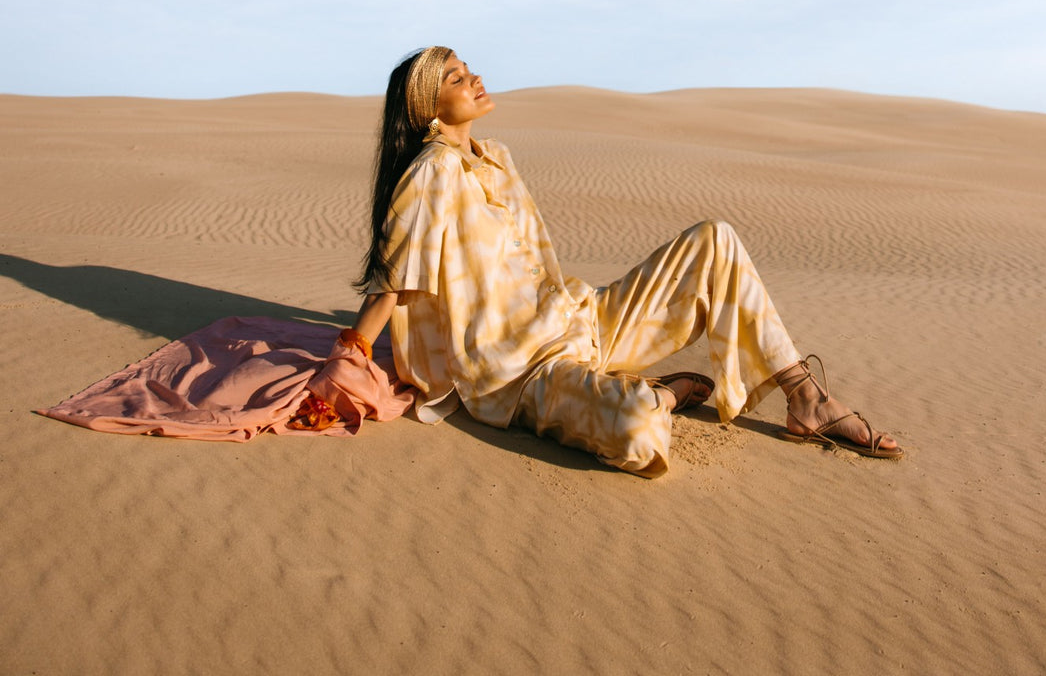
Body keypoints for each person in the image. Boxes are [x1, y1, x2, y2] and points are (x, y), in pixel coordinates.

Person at [340, 46, 902, 477]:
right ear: (426, 105)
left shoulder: (498, 157)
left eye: (469, 69)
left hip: (582, 321)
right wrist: (349, 358)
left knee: (716, 240)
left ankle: (806, 399)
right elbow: (395, 279)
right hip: (524, 374)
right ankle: (659, 393)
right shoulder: (431, 172)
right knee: (637, 431)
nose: (475, 79)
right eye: (456, 79)